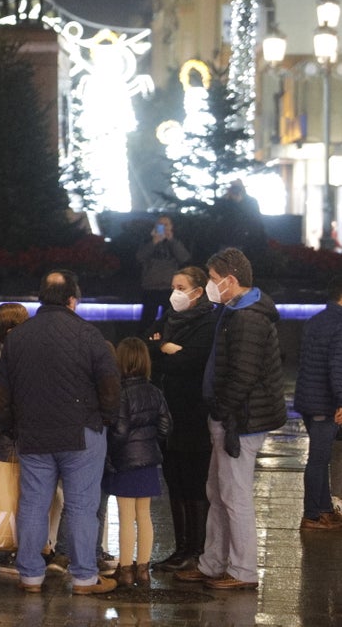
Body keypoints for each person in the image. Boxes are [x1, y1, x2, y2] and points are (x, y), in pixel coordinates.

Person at [0, 269, 120, 595]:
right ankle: (83, 578)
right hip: (82, 434)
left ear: (39, 298)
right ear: (73, 300)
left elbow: (2, 392)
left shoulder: (18, 337)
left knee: (33, 504)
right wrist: (107, 420)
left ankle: (31, 576)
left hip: (33, 434)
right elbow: (109, 385)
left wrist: (10, 427)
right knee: (80, 507)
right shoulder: (89, 335)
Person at [175, 248, 285, 590]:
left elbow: (244, 374)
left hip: (240, 420)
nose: (210, 285)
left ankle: (242, 571)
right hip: (231, 416)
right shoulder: (235, 310)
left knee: (234, 496)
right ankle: (214, 563)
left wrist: (222, 410)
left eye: (212, 279)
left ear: (230, 281)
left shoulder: (248, 317)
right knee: (219, 491)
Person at [0, 302, 54, 576]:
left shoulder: (10, 356)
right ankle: (13, 551)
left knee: (23, 494)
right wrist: (10, 428)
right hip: (8, 440)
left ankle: (25, 548)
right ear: (11, 331)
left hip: (14, 437)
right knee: (16, 496)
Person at [146, 266, 217, 571]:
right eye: (173, 286)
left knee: (194, 482)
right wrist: (164, 348)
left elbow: (192, 362)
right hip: (168, 411)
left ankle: (197, 548)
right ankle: (181, 547)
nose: (174, 292)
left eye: (180, 287)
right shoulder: (170, 318)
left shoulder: (209, 321)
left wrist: (164, 350)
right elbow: (148, 348)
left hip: (195, 413)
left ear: (197, 291)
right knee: (174, 481)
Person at [104, 338, 172, 588]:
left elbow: (119, 431)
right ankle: (143, 569)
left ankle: (125, 569)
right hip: (148, 461)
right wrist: (151, 443)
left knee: (125, 516)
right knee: (144, 516)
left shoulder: (121, 394)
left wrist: (110, 453)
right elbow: (166, 425)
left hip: (125, 462)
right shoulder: (155, 392)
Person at [293, 277, 342, 530]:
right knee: (318, 459)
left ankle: (323, 510)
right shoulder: (340, 324)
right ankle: (312, 515)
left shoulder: (316, 320)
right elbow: (338, 365)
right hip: (325, 403)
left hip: (309, 400)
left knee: (320, 458)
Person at [136, 215, 190, 329]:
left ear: (171, 227)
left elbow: (184, 258)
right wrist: (154, 242)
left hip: (170, 288)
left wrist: (171, 240)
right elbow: (139, 257)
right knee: (147, 322)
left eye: (166, 225)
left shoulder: (177, 241)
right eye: (161, 225)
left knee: (170, 322)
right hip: (151, 287)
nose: (163, 228)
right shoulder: (147, 239)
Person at [211, 179, 266, 260]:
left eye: (237, 188)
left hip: (245, 241)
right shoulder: (225, 202)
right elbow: (216, 215)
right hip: (226, 240)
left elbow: (255, 221)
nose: (235, 191)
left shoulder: (250, 202)